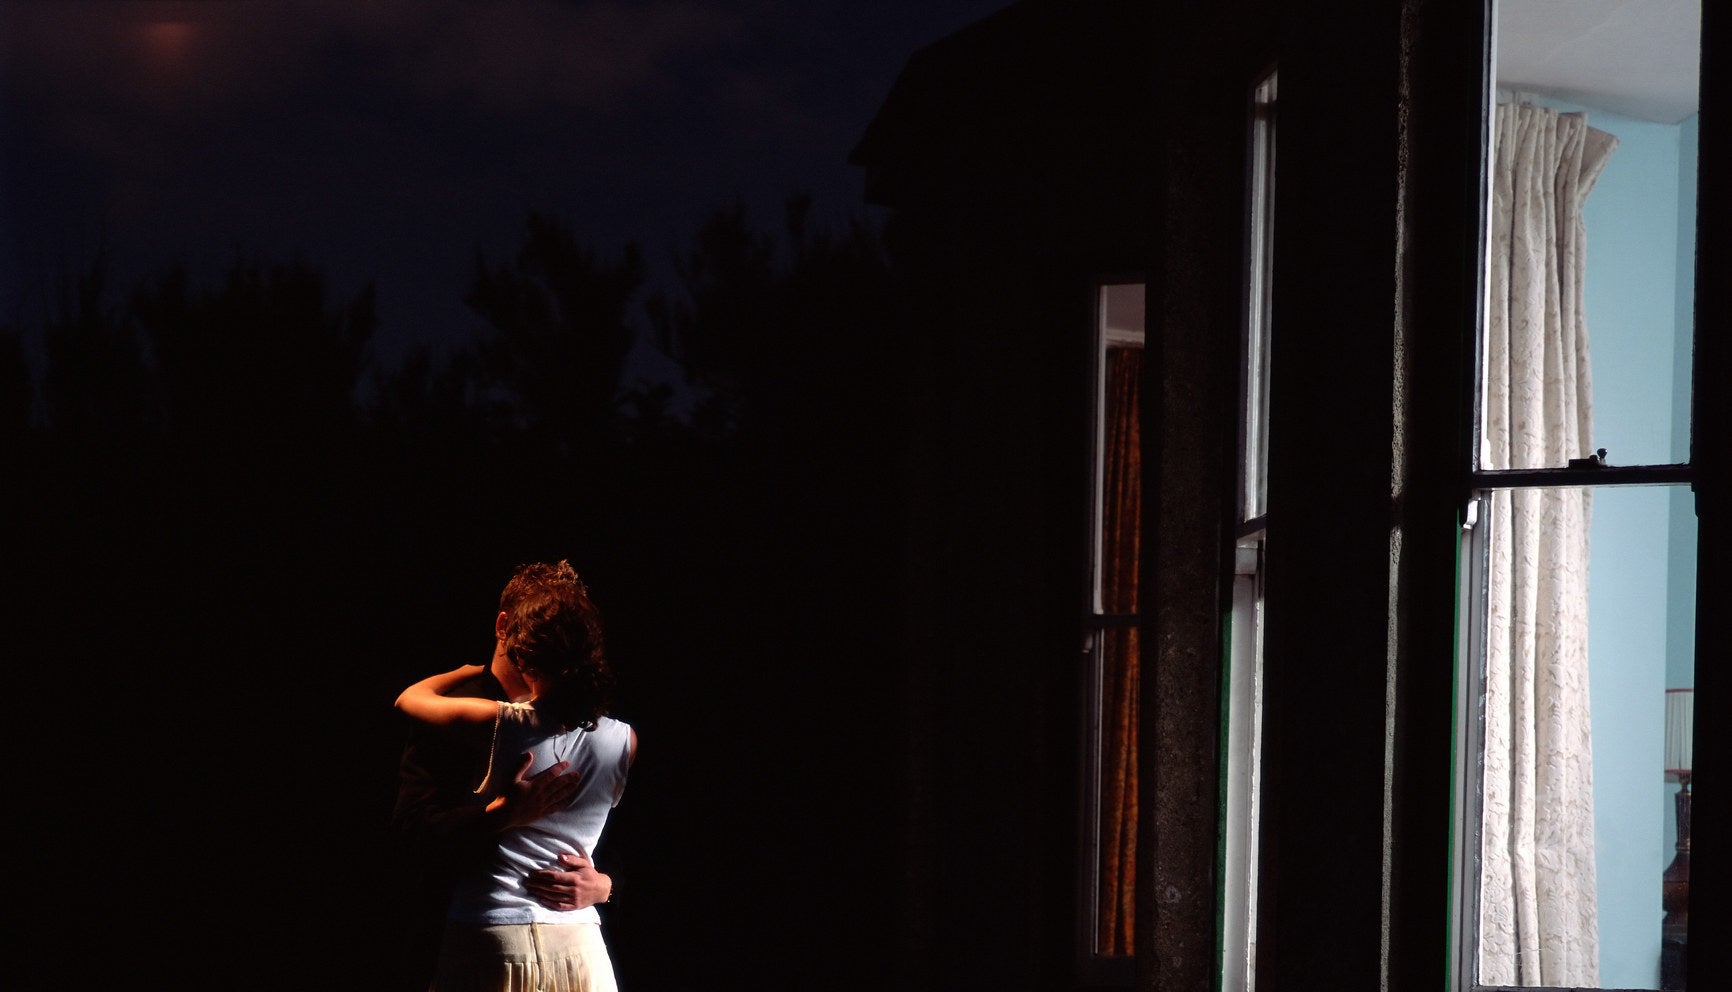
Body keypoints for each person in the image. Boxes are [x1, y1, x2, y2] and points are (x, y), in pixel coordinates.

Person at [394, 560, 634, 992]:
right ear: (505, 626)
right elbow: (413, 835)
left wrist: (605, 886)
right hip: (479, 940)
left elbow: (628, 841)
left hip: (544, 936)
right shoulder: (615, 736)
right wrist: (500, 816)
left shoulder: (485, 718)